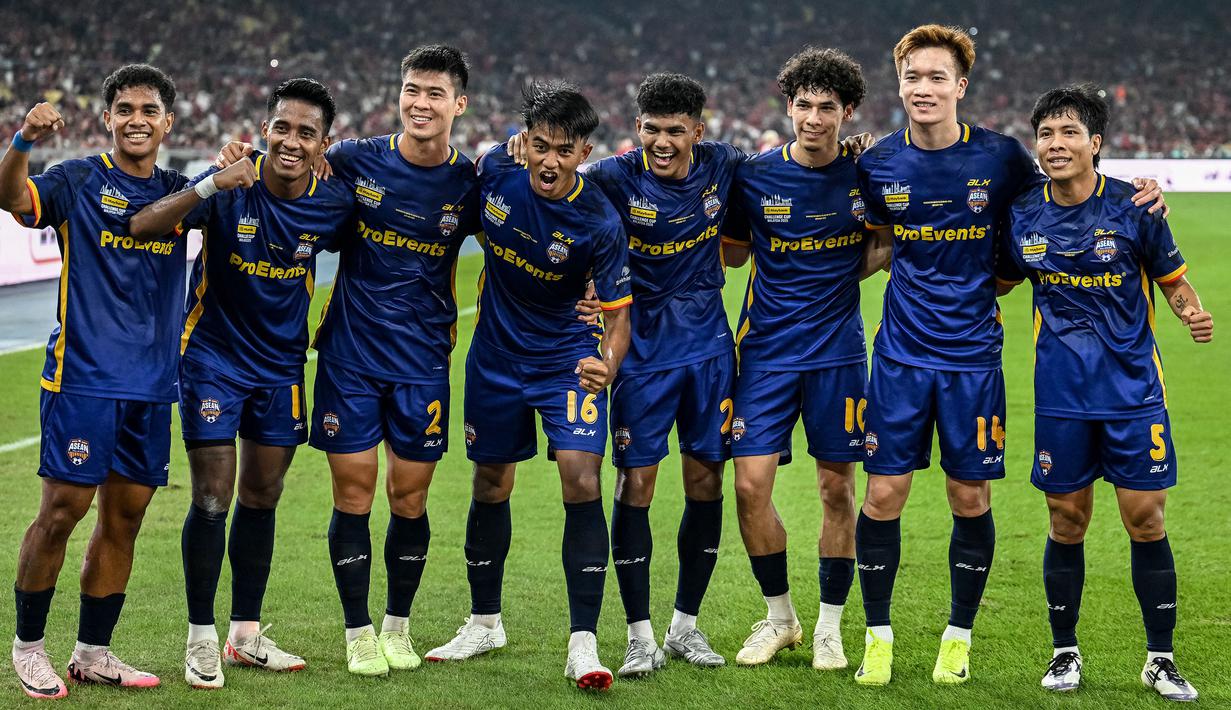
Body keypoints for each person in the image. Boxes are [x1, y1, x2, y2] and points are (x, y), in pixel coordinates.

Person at [852, 24, 1165, 686]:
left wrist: (1142, 194)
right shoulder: (876, 163)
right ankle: (876, 635)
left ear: (959, 87)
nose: (923, 88)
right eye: (912, 77)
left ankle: (957, 636)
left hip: (972, 357)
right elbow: (875, 243)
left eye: (937, 77)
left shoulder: (1001, 159)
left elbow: (1065, 202)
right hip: (900, 356)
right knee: (882, 494)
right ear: (899, 85)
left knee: (970, 497)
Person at [130, 77, 353, 689]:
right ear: (265, 129)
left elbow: (371, 259)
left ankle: (244, 636)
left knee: (263, 497)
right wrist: (209, 181)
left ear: (323, 145)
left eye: (306, 132)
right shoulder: (230, 185)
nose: (290, 140)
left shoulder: (335, 202)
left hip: (281, 368)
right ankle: (200, 639)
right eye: (282, 126)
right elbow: (143, 225)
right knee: (211, 498)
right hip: (213, 360)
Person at [997, 84, 1209, 702]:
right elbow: (1001, 281)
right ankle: (1065, 653)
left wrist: (1193, 312)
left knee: (1145, 520)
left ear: (1096, 143)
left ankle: (1160, 658)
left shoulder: (1137, 207)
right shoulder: (1023, 212)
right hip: (1060, 395)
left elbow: (1173, 283)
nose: (1055, 145)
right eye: (1046, 134)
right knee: (1067, 521)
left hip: (1133, 391)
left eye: (1069, 134)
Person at [424, 81, 631, 692]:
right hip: (493, 357)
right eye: (539, 146)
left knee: (581, 474)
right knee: (490, 481)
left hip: (565, 357)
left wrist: (610, 362)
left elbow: (619, 314)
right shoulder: (495, 171)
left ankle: (583, 643)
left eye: (563, 151)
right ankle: (484, 621)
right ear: (525, 143)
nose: (549, 161)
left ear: (583, 153)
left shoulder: (598, 220)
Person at [0, 63, 185, 699]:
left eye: (148, 110)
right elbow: (10, 198)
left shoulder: (182, 195)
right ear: (108, 118)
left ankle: (92, 652)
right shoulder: (78, 179)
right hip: (82, 378)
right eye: (124, 109)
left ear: (167, 122)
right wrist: (22, 140)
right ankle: (27, 648)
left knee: (125, 518)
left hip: (152, 385)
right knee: (62, 510)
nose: (136, 119)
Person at [308, 44, 480, 677]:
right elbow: (292, 178)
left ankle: (398, 627)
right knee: (353, 494)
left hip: (423, 359)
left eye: (435, 93)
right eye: (412, 89)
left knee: (409, 498)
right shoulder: (354, 160)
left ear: (459, 105)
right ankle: (357, 633)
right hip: (351, 356)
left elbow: (524, 234)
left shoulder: (471, 181)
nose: (420, 103)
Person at [721, 46, 889, 671]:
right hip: (763, 352)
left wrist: (841, 275)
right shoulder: (755, 176)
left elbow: (885, 245)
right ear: (787, 107)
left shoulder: (867, 174)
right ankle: (780, 618)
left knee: (836, 489)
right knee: (749, 485)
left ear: (847, 112)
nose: (813, 119)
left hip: (838, 354)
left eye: (827, 108)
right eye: (803, 106)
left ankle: (828, 625)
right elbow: (733, 256)